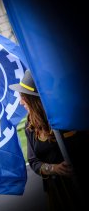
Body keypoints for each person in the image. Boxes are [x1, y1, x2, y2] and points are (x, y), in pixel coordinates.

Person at [9, 69, 87, 210]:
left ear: (36, 99)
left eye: (23, 96)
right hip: (58, 191)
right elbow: (33, 161)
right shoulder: (30, 124)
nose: (20, 102)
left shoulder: (69, 115)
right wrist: (54, 169)